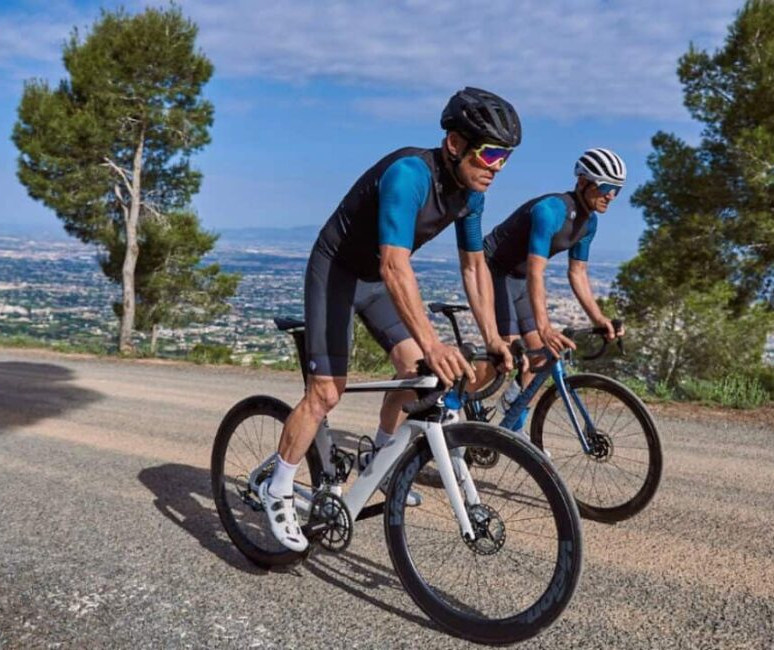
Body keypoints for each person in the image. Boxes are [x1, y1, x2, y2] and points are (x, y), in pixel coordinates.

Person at [260, 88, 521, 552]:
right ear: (456, 144)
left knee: (416, 373)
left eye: (506, 157)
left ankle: (380, 462)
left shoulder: (470, 193)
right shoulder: (409, 175)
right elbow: (395, 266)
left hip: (377, 279)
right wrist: (434, 343)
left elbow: (474, 266)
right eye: (491, 153)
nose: (496, 167)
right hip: (338, 270)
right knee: (326, 393)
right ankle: (277, 488)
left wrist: (493, 337)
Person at [483, 148, 627, 431]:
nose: (611, 195)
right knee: (508, 355)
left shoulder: (589, 223)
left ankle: (511, 426)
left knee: (541, 358)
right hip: (493, 269)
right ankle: (451, 403)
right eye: (606, 186)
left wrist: (600, 319)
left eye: (617, 190)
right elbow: (537, 271)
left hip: (520, 278)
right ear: (583, 182)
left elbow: (578, 273)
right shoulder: (551, 210)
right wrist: (545, 327)